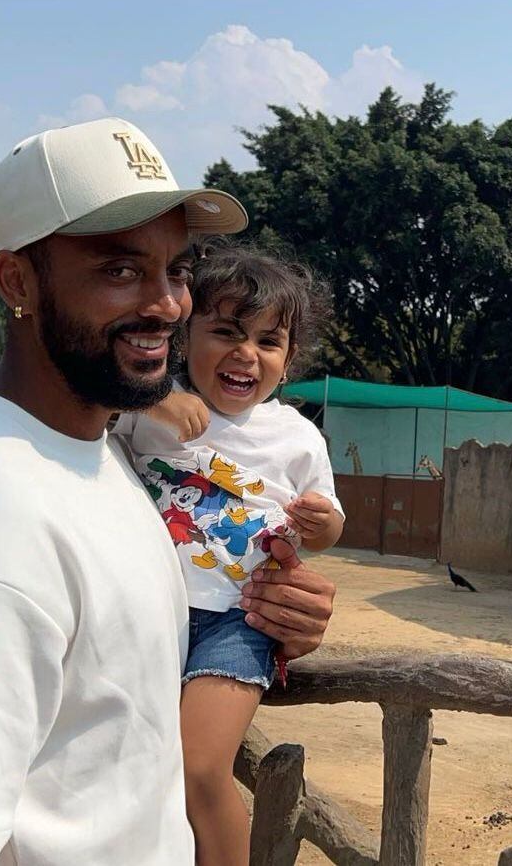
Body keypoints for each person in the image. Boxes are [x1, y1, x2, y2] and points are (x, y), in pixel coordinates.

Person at [0, 117, 336, 865]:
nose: (168, 304)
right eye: (120, 271)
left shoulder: (103, 453)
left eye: (176, 270)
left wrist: (276, 614)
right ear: (18, 281)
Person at [114, 244, 344, 866]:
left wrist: (320, 526)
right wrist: (154, 396)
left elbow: (327, 528)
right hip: (145, 617)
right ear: (185, 336)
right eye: (226, 332)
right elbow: (86, 405)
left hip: (236, 623)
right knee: (133, 769)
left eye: (269, 341)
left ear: (288, 361)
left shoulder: (297, 436)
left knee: (198, 766)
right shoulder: (145, 408)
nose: (247, 354)